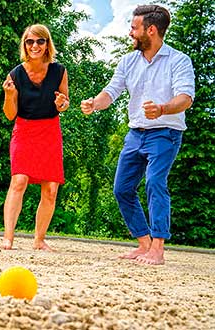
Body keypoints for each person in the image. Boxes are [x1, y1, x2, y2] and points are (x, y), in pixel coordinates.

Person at [81, 5, 195, 265]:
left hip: (166, 132)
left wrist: (163, 108)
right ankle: (144, 244)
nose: (130, 33)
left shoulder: (179, 60)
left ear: (151, 30)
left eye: (134, 28)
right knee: (122, 188)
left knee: (155, 182)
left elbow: (186, 97)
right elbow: (112, 91)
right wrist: (94, 103)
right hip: (135, 133)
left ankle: (158, 248)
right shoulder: (128, 61)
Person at [0, 24, 69, 251]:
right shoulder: (15, 74)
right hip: (24, 130)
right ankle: (8, 238)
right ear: (25, 45)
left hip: (49, 131)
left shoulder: (59, 71)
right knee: (19, 181)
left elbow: (64, 103)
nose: (35, 46)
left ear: (47, 44)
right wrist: (9, 95)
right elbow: (10, 114)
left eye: (40, 41)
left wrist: (62, 104)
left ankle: (39, 240)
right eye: (30, 42)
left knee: (50, 188)